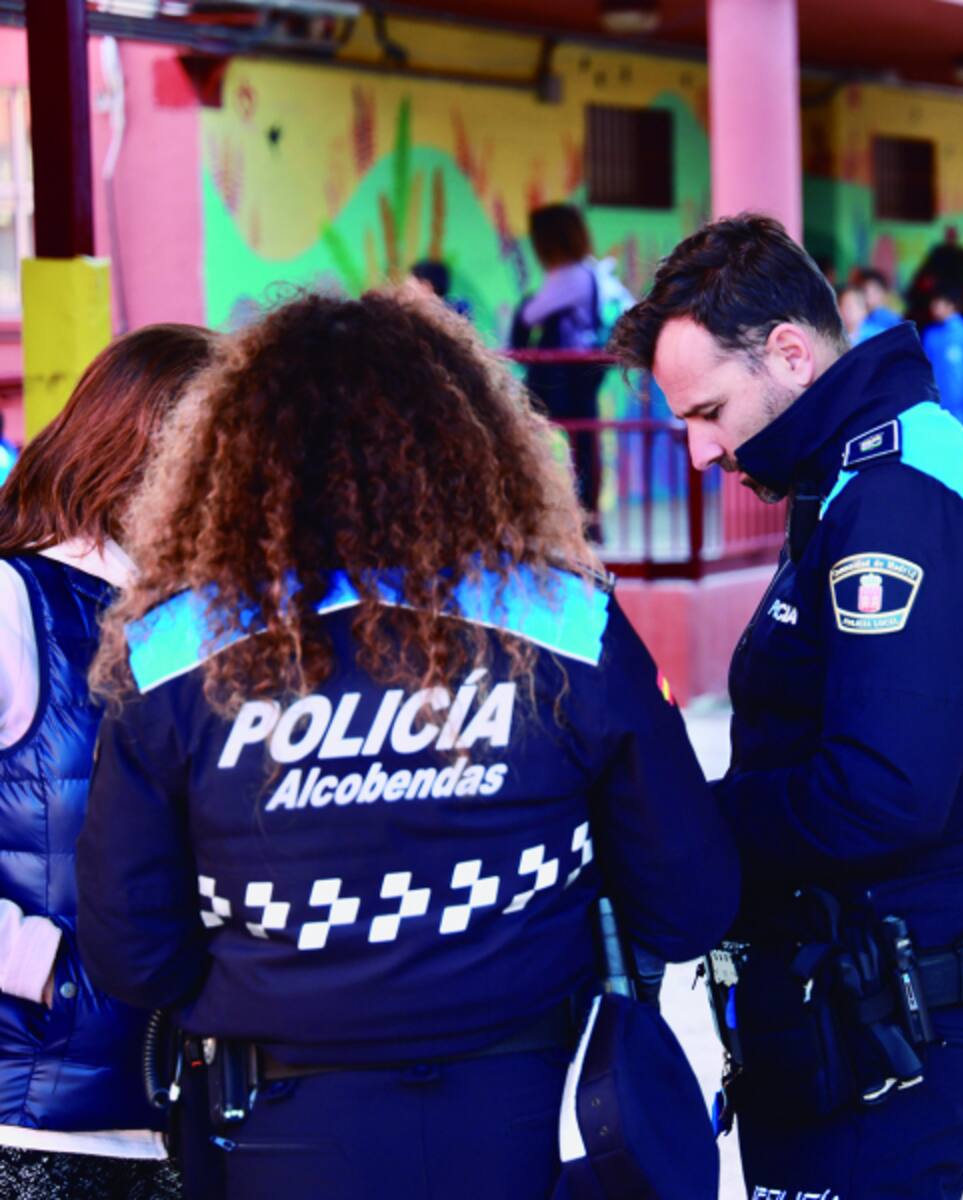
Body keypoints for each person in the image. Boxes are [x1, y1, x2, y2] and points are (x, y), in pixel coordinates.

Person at [76, 286, 738, 1200]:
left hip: (278, 1129)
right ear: (467, 441)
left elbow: (132, 949)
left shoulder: (171, 652)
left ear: (236, 458)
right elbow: (691, 895)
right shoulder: (564, 621)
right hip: (537, 1126)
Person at [611, 215, 963, 1200]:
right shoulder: (854, 479)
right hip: (845, 998)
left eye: (709, 411)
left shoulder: (899, 497)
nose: (698, 453)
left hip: (889, 1013)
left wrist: (686, 821)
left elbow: (878, 795)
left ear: (792, 354)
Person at [0, 324, 215, 1199]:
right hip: (34, 1124)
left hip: (177, 1117)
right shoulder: (19, 602)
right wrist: (39, 967)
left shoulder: (196, 621)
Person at [510, 204, 621, 527]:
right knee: (584, 445)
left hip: (561, 378)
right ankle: (589, 517)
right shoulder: (586, 271)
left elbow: (530, 316)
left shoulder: (568, 276)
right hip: (581, 376)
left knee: (543, 442)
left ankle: (572, 518)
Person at [921, 286, 963, 434]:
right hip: (937, 401)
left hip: (961, 405)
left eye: (937, 303)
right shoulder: (931, 335)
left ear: (951, 305)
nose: (933, 307)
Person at [855, 267, 903, 342]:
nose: (867, 296)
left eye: (873, 291)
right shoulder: (856, 317)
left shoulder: (890, 320)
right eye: (863, 290)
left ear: (883, 293)